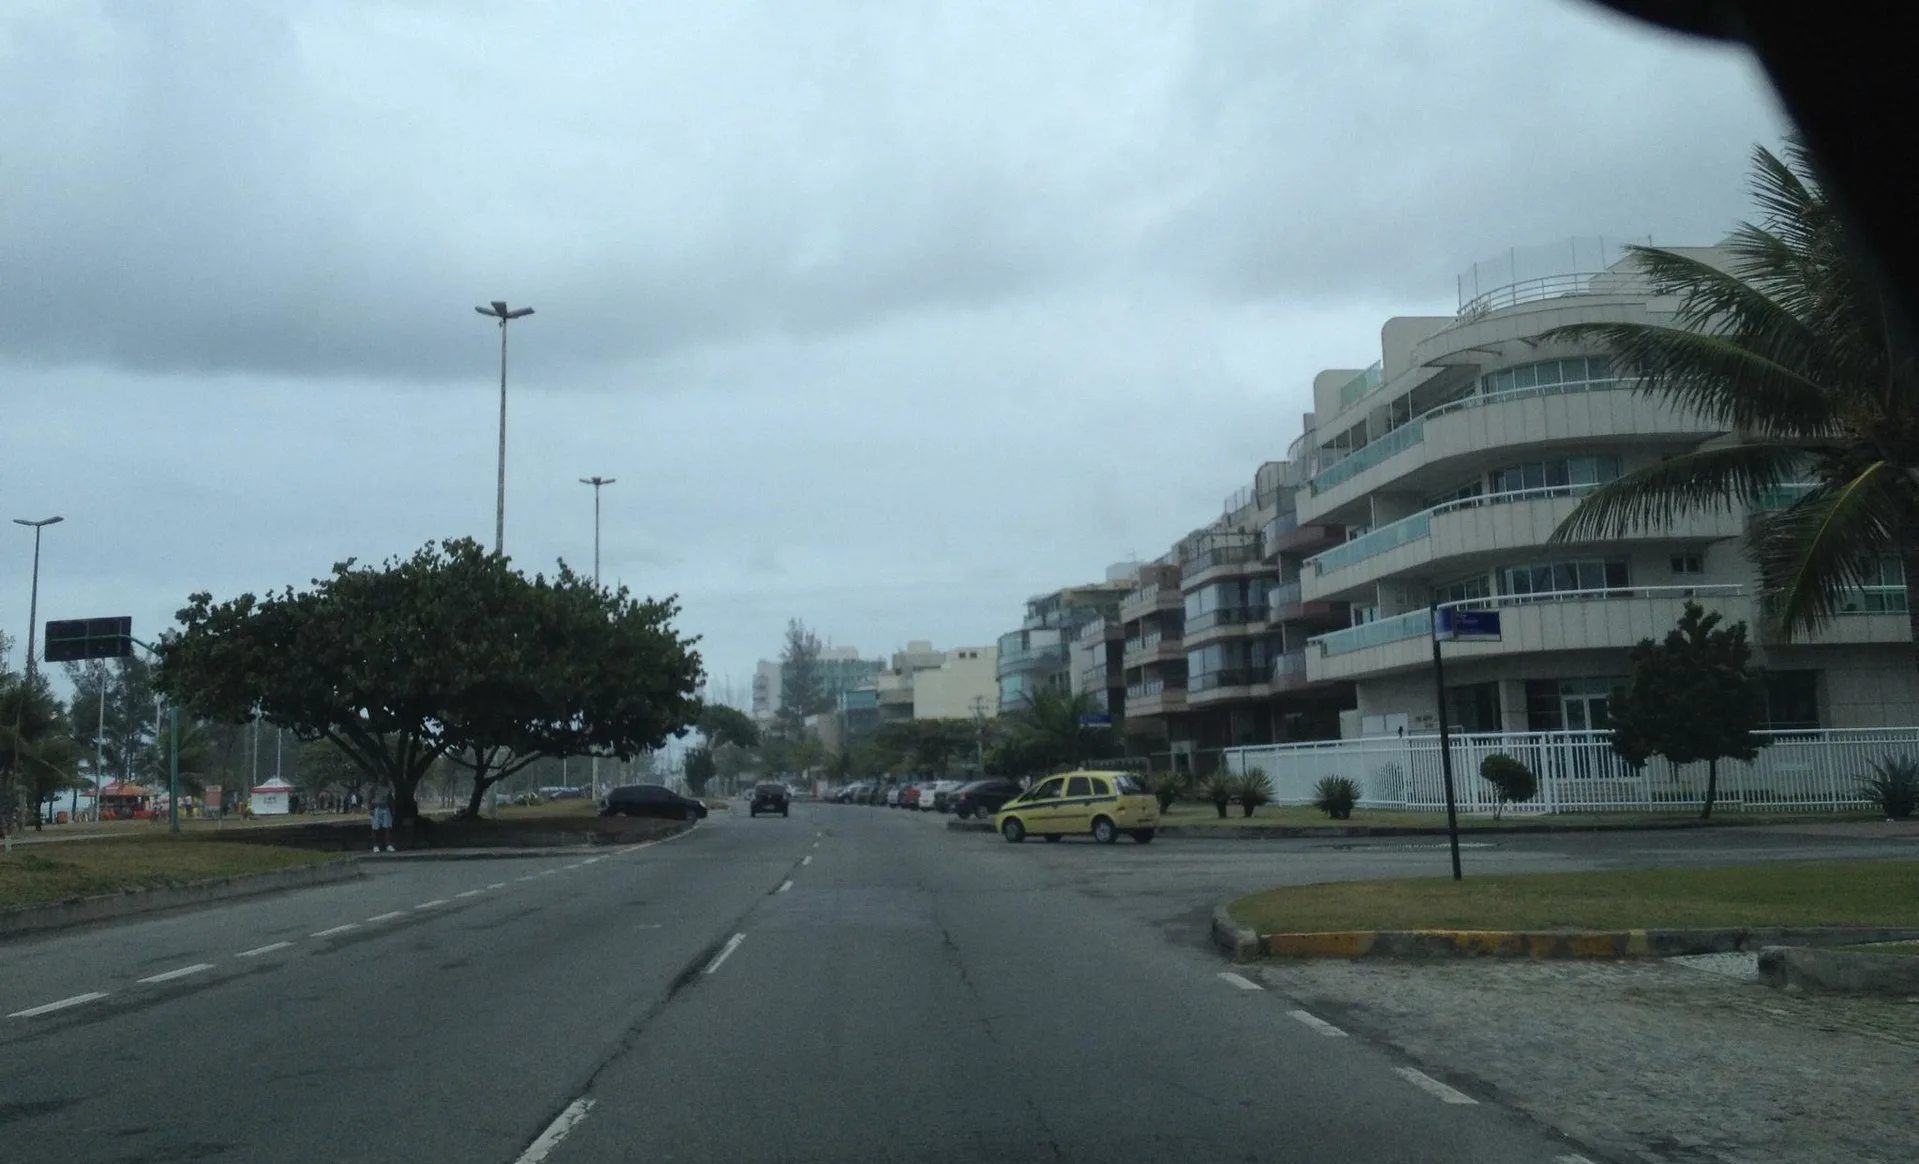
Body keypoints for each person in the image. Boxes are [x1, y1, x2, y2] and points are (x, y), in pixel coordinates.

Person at [370, 784, 395, 853]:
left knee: (387, 827)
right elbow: (370, 798)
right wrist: (371, 809)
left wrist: (393, 809)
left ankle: (388, 844)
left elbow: (391, 799)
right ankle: (375, 845)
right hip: (377, 808)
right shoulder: (374, 788)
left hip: (386, 808)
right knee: (375, 827)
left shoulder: (388, 788)